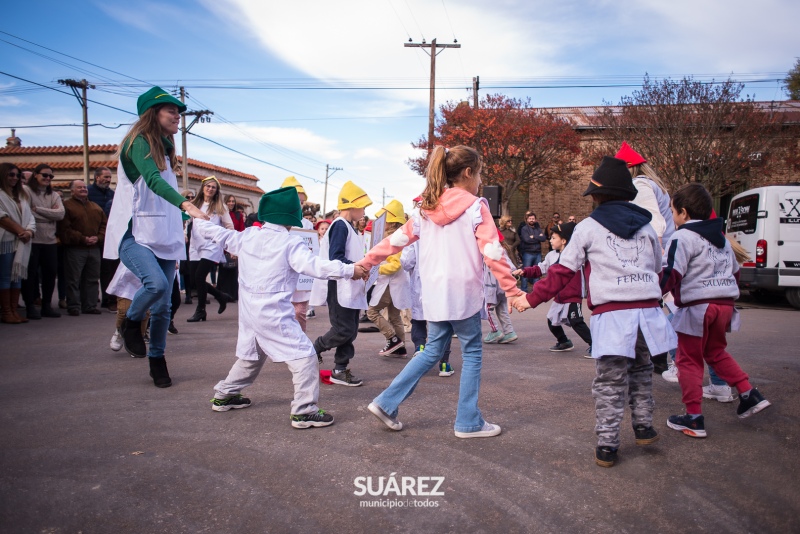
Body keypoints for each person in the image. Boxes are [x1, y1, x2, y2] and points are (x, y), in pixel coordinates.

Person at [511, 156, 676, 468]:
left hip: (613, 315)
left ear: (597, 196)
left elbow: (561, 271)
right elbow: (658, 268)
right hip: (648, 313)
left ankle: (608, 445)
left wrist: (530, 300)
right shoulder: (646, 228)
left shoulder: (588, 227)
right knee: (641, 370)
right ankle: (643, 426)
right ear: (628, 195)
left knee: (610, 379)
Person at [358, 145, 524, 437]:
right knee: (472, 352)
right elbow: (492, 250)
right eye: (480, 173)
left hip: (433, 295)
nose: (481, 180)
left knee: (432, 349)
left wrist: (365, 262)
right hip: (464, 294)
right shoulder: (476, 206)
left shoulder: (426, 208)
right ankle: (468, 422)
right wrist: (511, 290)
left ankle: (386, 402)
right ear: (469, 173)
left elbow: (393, 241)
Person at [195, 186, 368, 427]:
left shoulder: (247, 236)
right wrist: (350, 270)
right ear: (291, 216)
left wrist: (196, 217)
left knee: (251, 357)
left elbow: (215, 233)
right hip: (273, 313)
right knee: (305, 356)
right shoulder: (290, 243)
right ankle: (304, 410)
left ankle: (225, 395)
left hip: (248, 313)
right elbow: (316, 266)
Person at [104, 86, 208, 388]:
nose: (178, 115)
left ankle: (157, 358)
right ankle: (131, 322)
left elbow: (161, 200)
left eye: (179, 111)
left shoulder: (165, 148)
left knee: (164, 306)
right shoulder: (138, 142)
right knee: (157, 285)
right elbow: (149, 182)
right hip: (134, 234)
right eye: (171, 110)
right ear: (153, 113)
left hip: (163, 234)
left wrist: (194, 218)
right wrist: (186, 203)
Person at [660, 183, 771, 438]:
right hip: (724, 303)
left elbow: (671, 272)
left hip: (698, 306)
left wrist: (655, 293)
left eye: (673, 211)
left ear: (684, 213)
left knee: (688, 359)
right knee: (715, 351)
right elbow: (735, 271)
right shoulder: (720, 237)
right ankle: (748, 392)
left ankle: (694, 418)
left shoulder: (682, 236)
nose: (672, 216)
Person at [310, 181, 373, 386]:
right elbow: (335, 257)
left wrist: (360, 267)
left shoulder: (349, 227)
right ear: (352, 205)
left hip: (350, 286)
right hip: (339, 286)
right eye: (362, 206)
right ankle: (313, 350)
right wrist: (355, 267)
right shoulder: (339, 225)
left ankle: (340, 369)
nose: (364, 211)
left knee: (351, 330)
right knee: (343, 329)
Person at [513, 222, 592, 355]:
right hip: (559, 297)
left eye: (554, 238)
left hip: (572, 295)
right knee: (552, 321)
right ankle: (564, 341)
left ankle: (594, 344)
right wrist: (524, 271)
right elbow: (540, 269)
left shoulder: (576, 256)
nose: (550, 240)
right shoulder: (551, 256)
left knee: (576, 321)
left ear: (564, 240)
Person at [400, 199, 455, 377]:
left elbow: (406, 260)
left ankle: (420, 346)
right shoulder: (447, 224)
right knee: (443, 322)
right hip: (442, 280)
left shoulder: (415, 226)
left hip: (421, 280)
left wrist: (412, 269)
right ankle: (444, 364)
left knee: (419, 318)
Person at [366, 200, 411, 357]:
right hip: (396, 283)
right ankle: (401, 347)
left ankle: (393, 340)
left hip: (390, 283)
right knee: (394, 317)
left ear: (390, 222)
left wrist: (375, 269)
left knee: (372, 312)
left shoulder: (393, 238)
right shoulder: (398, 236)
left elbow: (394, 265)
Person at [187, 175, 234, 322]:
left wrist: (232, 247)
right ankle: (220, 296)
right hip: (195, 244)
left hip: (212, 245)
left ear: (216, 190)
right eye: (208, 186)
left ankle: (201, 310)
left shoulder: (221, 207)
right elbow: (185, 220)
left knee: (200, 276)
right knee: (194, 279)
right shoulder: (194, 204)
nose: (210, 189)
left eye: (213, 187)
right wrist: (184, 234)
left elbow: (229, 226)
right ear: (203, 187)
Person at [57, 180, 107, 316]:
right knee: (73, 279)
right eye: (79, 187)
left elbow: (104, 225)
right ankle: (73, 306)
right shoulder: (66, 206)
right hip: (75, 248)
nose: (83, 189)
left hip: (94, 248)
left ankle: (90, 306)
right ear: (72, 191)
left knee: (92, 279)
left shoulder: (95, 206)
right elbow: (64, 229)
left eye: (85, 187)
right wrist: (82, 238)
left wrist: (98, 237)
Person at [22, 164, 64, 319]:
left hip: (50, 240)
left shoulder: (53, 194)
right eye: (45, 175)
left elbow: (60, 214)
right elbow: (26, 213)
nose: (48, 178)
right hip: (33, 238)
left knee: (50, 273)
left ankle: (47, 305)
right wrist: (49, 213)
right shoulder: (26, 191)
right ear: (35, 175)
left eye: (50, 176)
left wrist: (38, 210)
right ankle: (30, 306)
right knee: (30, 274)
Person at [0, 163, 35, 324]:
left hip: (22, 242)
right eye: (10, 175)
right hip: (6, 241)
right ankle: (6, 312)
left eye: (16, 175)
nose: (14, 178)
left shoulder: (22, 196)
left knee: (17, 276)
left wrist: (29, 231)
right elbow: (2, 217)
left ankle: (14, 311)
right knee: (6, 277)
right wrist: (21, 231)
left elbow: (30, 218)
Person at [282, 176, 314, 332]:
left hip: (302, 277)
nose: (298, 206)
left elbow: (313, 249)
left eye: (301, 203)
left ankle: (301, 347)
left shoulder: (307, 225)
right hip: (282, 275)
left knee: (300, 312)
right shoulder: (274, 223)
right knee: (282, 314)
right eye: (296, 201)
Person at [87, 167, 119, 312]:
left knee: (109, 270)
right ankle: (89, 301)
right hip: (91, 237)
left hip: (109, 237)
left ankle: (108, 299)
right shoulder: (89, 193)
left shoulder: (112, 195)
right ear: (97, 177)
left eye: (109, 177)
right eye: (105, 177)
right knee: (91, 272)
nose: (108, 180)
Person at [107, 263, 149, 355]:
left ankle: (137, 340)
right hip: (129, 275)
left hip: (148, 275)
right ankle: (120, 332)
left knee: (145, 313)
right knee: (124, 309)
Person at [306, 219, 331, 320]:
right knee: (312, 288)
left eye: (327, 228)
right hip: (315, 266)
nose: (324, 230)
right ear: (318, 230)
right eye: (322, 228)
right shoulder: (315, 241)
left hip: (326, 266)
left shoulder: (330, 241)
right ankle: (311, 308)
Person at [517, 212, 546, 292]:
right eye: (530, 219)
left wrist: (534, 237)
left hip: (538, 253)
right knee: (525, 272)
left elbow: (543, 238)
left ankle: (535, 291)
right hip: (528, 253)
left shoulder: (538, 228)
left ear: (535, 219)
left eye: (533, 219)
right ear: (527, 220)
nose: (532, 220)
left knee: (537, 272)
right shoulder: (524, 229)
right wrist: (537, 237)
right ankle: (524, 290)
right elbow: (527, 240)